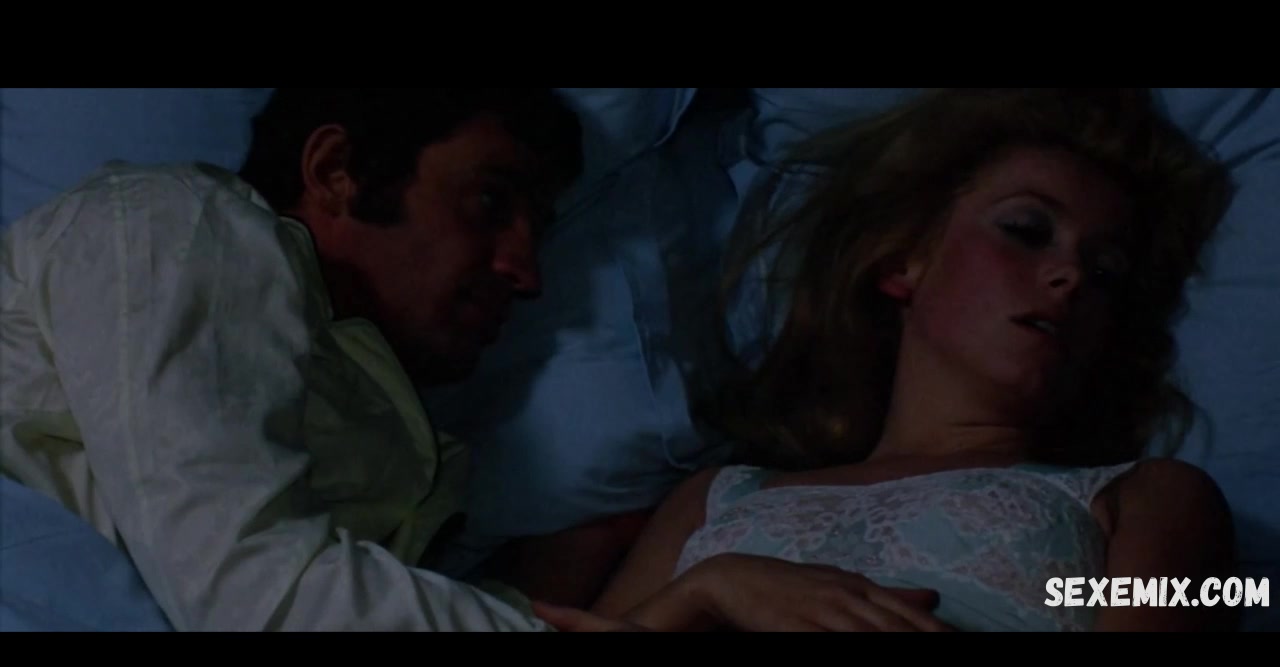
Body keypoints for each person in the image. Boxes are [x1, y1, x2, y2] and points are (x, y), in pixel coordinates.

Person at [538, 88, 1242, 632]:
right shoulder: (712, 501)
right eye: (1027, 230)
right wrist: (709, 589)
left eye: (1106, 272)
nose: (1072, 277)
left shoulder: (1148, 498)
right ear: (903, 261)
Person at [0, 88, 592, 631]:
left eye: (537, 232)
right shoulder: (183, 223)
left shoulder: (390, 434)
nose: (527, 272)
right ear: (336, 171)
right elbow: (248, 592)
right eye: (489, 202)